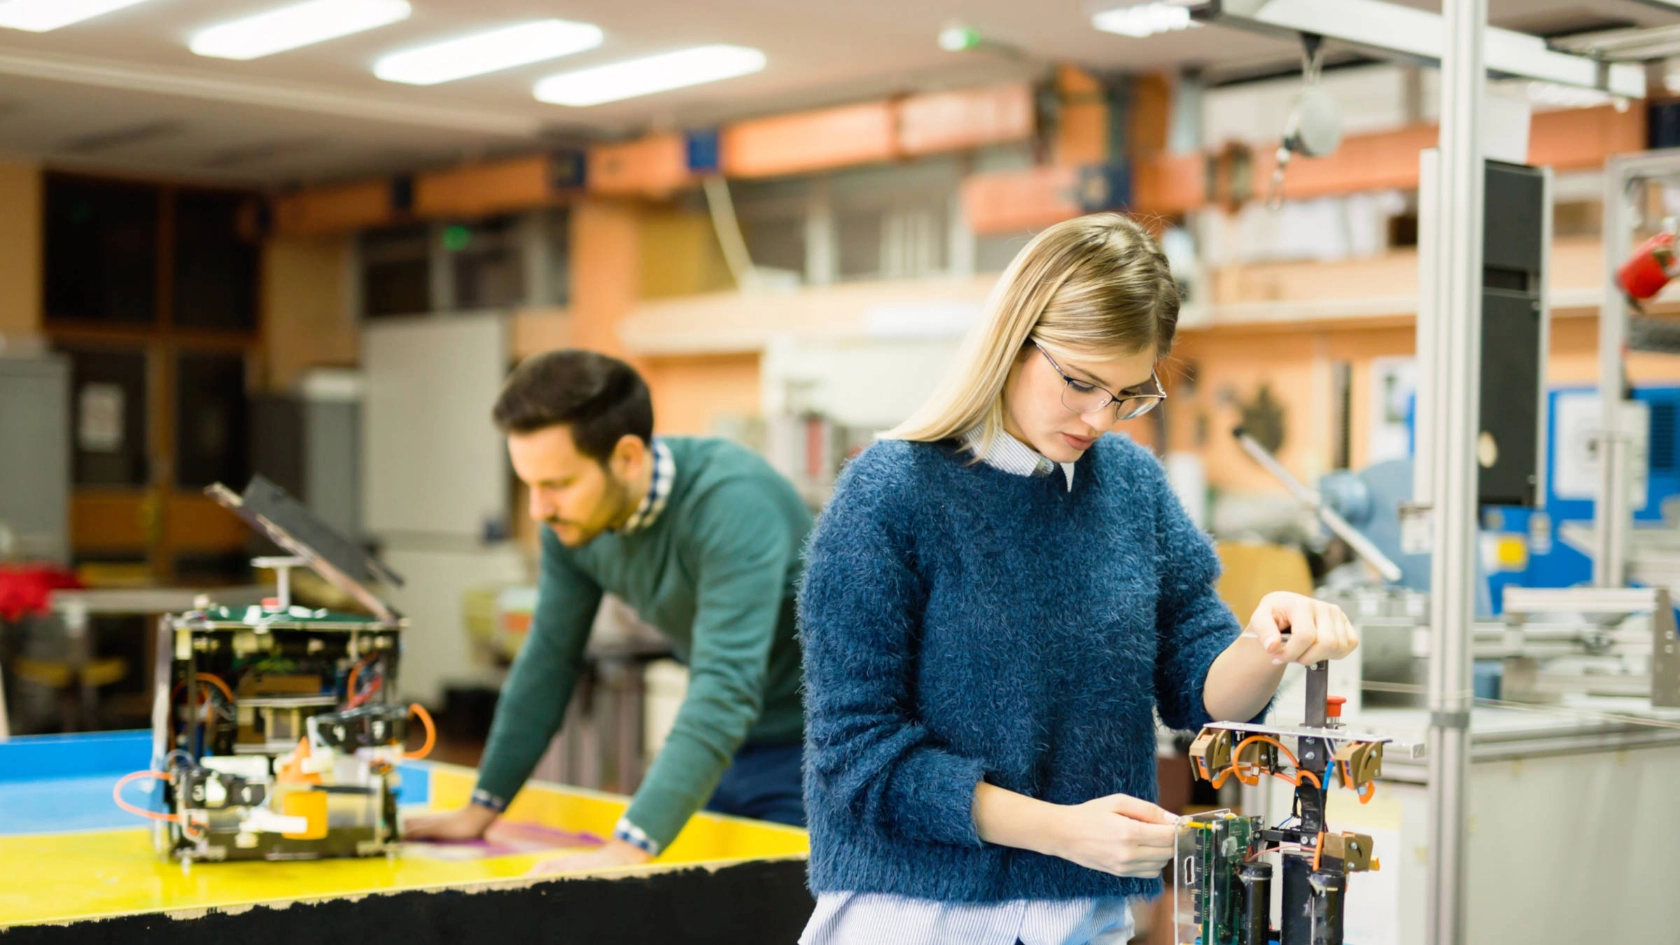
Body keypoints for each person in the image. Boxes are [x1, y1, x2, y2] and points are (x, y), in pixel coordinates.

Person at [796, 214, 1360, 944]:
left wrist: (1269, 639)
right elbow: (857, 758)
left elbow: (1204, 692)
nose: (1101, 417)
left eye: (1129, 393)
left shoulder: (1129, 486)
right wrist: (1060, 831)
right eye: (1081, 382)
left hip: (1082, 919)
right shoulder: (891, 492)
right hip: (916, 915)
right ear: (1014, 337)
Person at [407, 349, 812, 873]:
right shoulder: (573, 525)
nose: (539, 510)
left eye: (556, 484)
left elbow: (724, 687)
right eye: (529, 485)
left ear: (626, 458)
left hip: (816, 750)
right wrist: (480, 808)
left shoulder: (732, 504)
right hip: (727, 750)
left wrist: (627, 848)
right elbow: (548, 659)